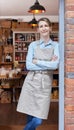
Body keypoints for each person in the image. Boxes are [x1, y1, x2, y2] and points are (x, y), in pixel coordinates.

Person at [17, 17, 60, 130]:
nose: (43, 28)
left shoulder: (56, 46)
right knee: (29, 113)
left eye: (46, 25)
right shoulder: (33, 45)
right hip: (31, 81)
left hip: (44, 83)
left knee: (38, 120)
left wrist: (38, 61)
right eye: (41, 26)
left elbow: (55, 65)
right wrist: (47, 63)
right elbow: (29, 65)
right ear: (38, 30)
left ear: (50, 28)